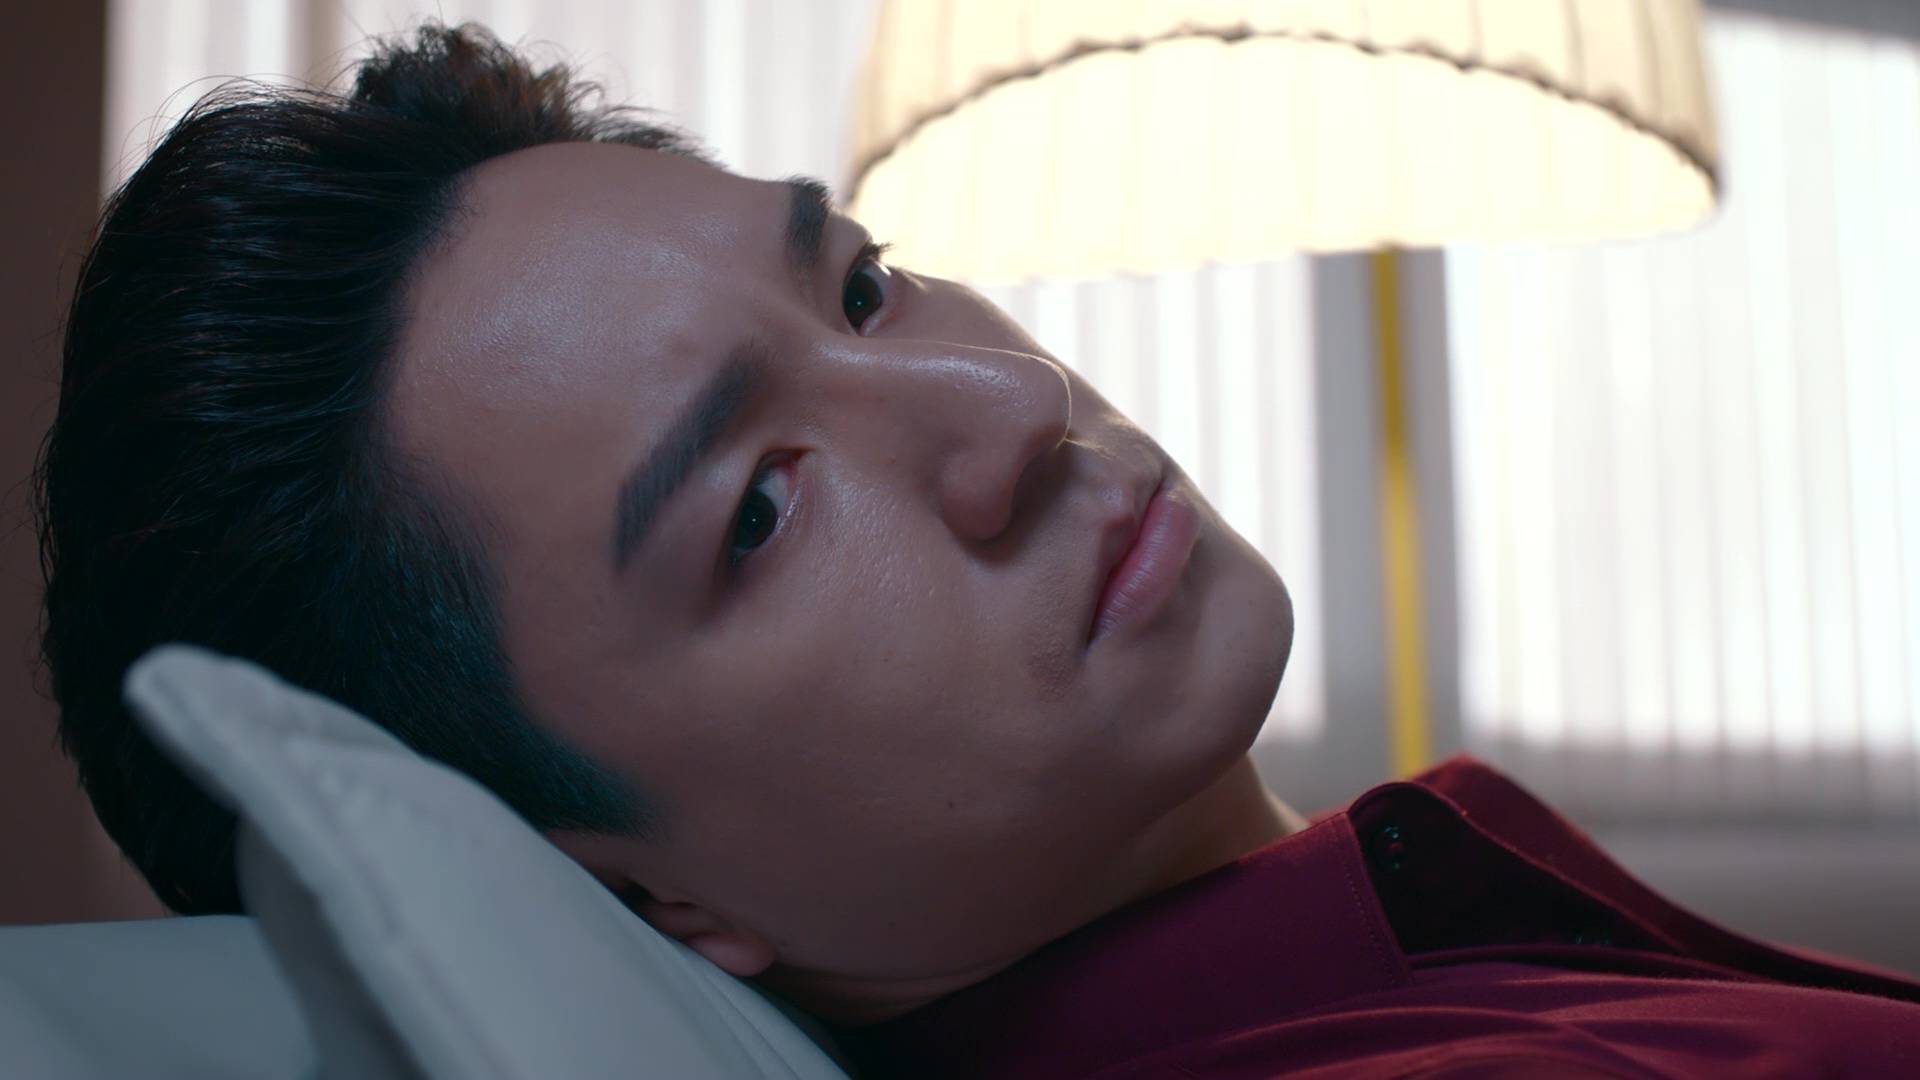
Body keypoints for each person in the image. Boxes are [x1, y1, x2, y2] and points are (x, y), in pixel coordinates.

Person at [33, 21, 1920, 1078]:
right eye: (757, 508)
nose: (1008, 405)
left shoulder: (1435, 940)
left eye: (862, 286)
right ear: (650, 904)